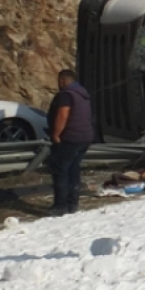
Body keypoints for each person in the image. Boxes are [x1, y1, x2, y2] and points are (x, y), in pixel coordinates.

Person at [46, 68, 96, 216]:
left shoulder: (66, 95)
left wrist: (56, 134)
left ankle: (60, 206)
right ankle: (72, 204)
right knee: (74, 170)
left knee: (61, 170)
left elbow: (62, 115)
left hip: (70, 138)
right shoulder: (83, 94)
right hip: (85, 137)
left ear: (62, 81)